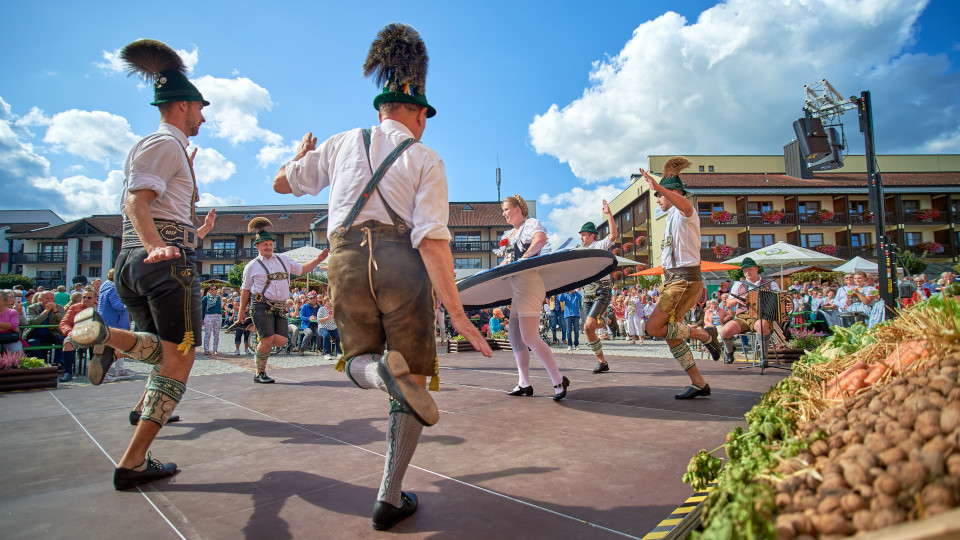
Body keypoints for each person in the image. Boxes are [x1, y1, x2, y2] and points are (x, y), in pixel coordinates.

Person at [273, 23, 491, 531]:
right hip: (401, 263)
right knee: (412, 376)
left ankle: (376, 375)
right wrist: (458, 314)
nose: (425, 125)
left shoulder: (340, 142)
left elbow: (282, 183)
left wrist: (300, 154)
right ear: (415, 113)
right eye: (425, 117)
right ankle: (389, 495)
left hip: (344, 260)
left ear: (379, 110)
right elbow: (434, 239)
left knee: (357, 360)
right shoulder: (425, 157)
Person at [66, 38, 210, 490]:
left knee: (160, 350)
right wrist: (156, 245)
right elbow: (135, 201)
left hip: (139, 264)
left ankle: (107, 337)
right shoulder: (164, 143)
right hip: (164, 265)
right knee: (181, 359)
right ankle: (132, 462)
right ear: (183, 105)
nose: (203, 116)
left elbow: (161, 204)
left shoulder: (169, 148)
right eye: (200, 108)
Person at [639, 159, 722, 399]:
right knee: (671, 335)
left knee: (654, 328)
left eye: (659, 195)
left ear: (671, 193)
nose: (657, 200)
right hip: (675, 281)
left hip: (683, 281)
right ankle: (699, 383)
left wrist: (659, 185)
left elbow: (685, 204)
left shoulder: (686, 213)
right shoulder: (670, 219)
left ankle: (703, 335)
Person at [495, 195, 571, 401]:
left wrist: (525, 258)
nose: (504, 214)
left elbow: (540, 240)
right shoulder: (511, 234)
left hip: (529, 286)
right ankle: (524, 383)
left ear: (519, 208)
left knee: (529, 337)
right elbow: (507, 261)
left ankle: (558, 380)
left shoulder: (530, 224)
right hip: (518, 289)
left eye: (506, 209)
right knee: (514, 335)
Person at [236, 217, 327, 383]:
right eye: (265, 245)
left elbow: (302, 269)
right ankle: (259, 373)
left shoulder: (283, 259)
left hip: (279, 307)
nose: (268, 247)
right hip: (261, 305)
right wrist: (241, 311)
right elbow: (245, 290)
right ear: (257, 246)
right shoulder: (251, 266)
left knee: (281, 341)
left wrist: (319, 259)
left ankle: (254, 327)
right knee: (267, 339)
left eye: (270, 244)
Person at [576, 201, 618, 373]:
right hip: (587, 293)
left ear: (592, 235)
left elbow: (614, 235)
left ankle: (608, 319)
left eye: (584, 235)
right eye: (581, 235)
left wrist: (609, 214)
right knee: (587, 328)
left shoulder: (599, 245)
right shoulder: (580, 251)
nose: (582, 238)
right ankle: (603, 362)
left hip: (602, 290)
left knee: (590, 323)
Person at [718, 257, 781, 364]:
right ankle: (730, 352)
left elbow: (780, 300)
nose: (747, 272)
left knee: (761, 325)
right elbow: (728, 303)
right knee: (725, 331)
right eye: (745, 271)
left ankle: (764, 357)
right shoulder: (738, 285)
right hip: (743, 317)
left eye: (750, 270)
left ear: (756, 269)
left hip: (761, 316)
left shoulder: (770, 283)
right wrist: (738, 300)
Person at [98, 268, 135, 380]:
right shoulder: (113, 289)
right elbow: (117, 306)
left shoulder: (104, 288)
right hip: (115, 323)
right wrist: (131, 304)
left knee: (116, 348)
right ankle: (103, 374)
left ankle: (119, 370)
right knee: (110, 349)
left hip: (109, 321)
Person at [60, 290, 101, 382]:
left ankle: (97, 371)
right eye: (84, 297)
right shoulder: (74, 308)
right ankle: (68, 372)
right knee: (68, 342)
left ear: (95, 299)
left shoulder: (101, 307)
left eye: (89, 298)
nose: (86, 299)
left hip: (97, 334)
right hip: (79, 333)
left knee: (102, 343)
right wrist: (69, 332)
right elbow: (65, 322)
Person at [24, 290, 66, 371]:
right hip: (35, 333)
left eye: (52, 298)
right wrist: (46, 311)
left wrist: (55, 311)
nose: (50, 301)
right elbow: (34, 322)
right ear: (40, 299)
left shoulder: (59, 307)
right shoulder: (32, 308)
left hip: (52, 333)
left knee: (62, 340)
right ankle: (40, 364)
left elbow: (63, 321)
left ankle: (59, 362)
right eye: (47, 298)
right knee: (33, 342)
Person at [0, 290, 25, 355]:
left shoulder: (13, 312)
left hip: (10, 338)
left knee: (16, 349)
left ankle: (15, 364)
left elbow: (14, 326)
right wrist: (8, 327)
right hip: (9, 334)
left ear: (5, 301)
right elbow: (13, 328)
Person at [297, 291, 322, 355]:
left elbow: (323, 316)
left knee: (320, 332)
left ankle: (318, 348)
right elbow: (301, 317)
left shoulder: (320, 307)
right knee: (309, 333)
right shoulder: (305, 307)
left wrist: (316, 318)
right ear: (308, 299)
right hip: (306, 325)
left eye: (314, 298)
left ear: (316, 298)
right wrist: (308, 318)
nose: (312, 299)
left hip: (316, 325)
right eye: (311, 298)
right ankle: (302, 349)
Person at [201, 284, 222, 355]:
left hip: (218, 315)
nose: (214, 290)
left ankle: (215, 349)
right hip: (209, 315)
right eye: (212, 289)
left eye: (215, 289)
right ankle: (206, 349)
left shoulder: (218, 298)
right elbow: (202, 309)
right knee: (208, 333)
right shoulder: (205, 298)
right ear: (208, 290)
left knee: (216, 334)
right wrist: (201, 318)